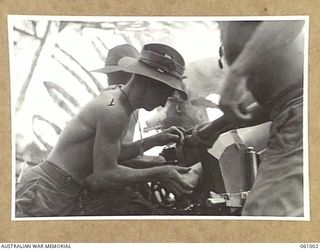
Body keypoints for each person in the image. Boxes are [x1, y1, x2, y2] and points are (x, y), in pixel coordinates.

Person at [15, 43, 195, 217]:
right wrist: (160, 172)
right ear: (150, 83)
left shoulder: (119, 105)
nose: (163, 102)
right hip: (45, 192)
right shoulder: (113, 110)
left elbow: (113, 154)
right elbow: (104, 176)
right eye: (164, 94)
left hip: (60, 191)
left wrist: (156, 140)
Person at [218, 20, 305, 216]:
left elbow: (292, 16)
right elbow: (272, 104)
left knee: (265, 217)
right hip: (288, 113)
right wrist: (208, 131)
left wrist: (237, 73)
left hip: (299, 113)